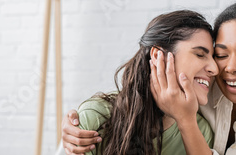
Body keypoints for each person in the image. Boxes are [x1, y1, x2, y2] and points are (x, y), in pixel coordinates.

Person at [62, 2, 236, 155]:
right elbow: (135, 96)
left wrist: (185, 119)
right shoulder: (199, 87)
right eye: (220, 54)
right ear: (159, 58)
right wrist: (79, 121)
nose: (224, 68)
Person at [62, 10, 219, 155]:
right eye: (200, 54)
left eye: (214, 57)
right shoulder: (97, 117)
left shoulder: (200, 131)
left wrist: (186, 121)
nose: (214, 68)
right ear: (158, 56)